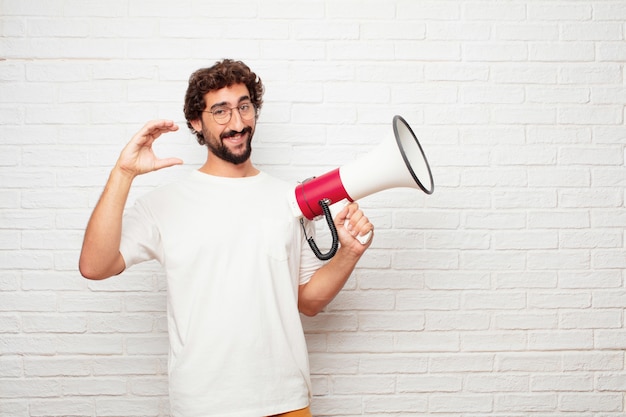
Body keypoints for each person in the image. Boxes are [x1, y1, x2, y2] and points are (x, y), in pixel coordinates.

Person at [79, 59, 373, 417]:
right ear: (195, 122)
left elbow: (308, 302)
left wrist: (349, 253)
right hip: (203, 404)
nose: (237, 123)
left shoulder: (291, 199)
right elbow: (95, 266)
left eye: (244, 106)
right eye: (220, 111)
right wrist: (123, 173)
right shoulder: (163, 204)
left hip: (285, 400)